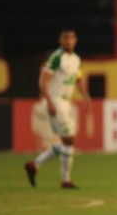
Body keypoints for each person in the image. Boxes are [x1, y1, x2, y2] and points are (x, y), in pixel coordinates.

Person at [24, 29, 91, 189]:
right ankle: (65, 180)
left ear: (75, 40)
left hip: (67, 103)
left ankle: (34, 164)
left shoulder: (75, 59)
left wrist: (86, 96)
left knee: (66, 143)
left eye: (72, 38)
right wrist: (49, 102)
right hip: (55, 101)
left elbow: (78, 79)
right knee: (69, 141)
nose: (69, 41)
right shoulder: (56, 57)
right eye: (66, 38)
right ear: (60, 41)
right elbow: (43, 80)